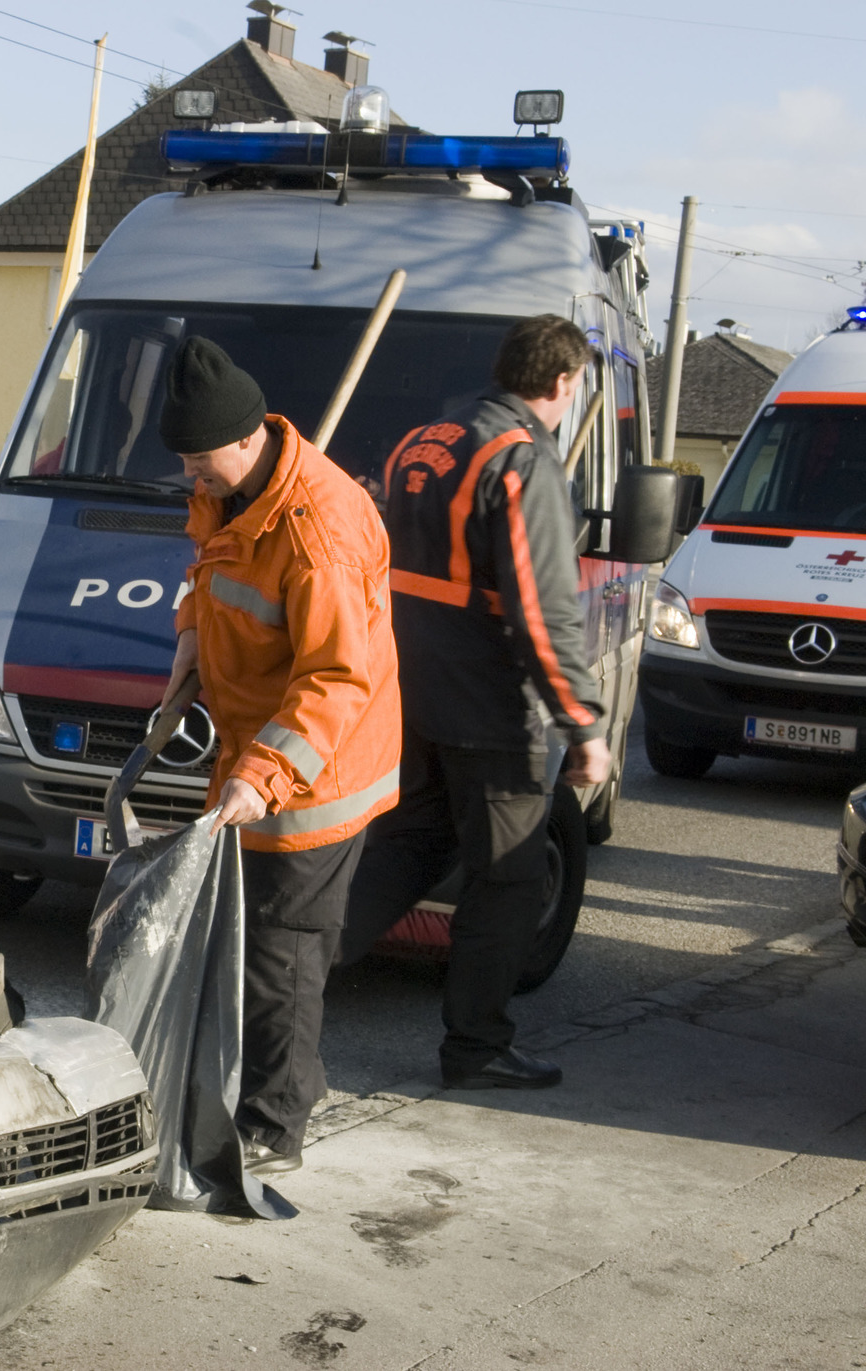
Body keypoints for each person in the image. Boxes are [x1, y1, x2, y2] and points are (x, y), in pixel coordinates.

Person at [339, 314, 611, 1092]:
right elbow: (542, 605)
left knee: (409, 844)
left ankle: (273, 969)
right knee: (509, 874)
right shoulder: (520, 460)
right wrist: (581, 719)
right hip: (491, 704)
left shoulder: (426, 440)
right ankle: (477, 1044)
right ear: (563, 383)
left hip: (415, 682)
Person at [159, 337, 401, 1175]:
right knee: (247, 940)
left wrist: (265, 775)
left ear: (245, 437)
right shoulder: (231, 495)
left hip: (316, 770)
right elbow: (208, 573)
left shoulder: (319, 532)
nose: (194, 479)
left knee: (283, 950)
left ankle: (273, 1126)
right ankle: (264, 1085)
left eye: (200, 463)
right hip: (250, 749)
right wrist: (191, 638)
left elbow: (337, 676)